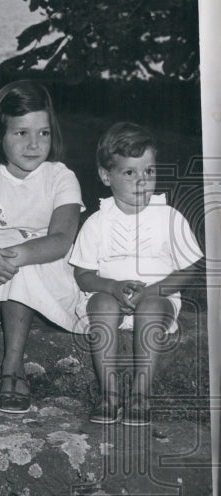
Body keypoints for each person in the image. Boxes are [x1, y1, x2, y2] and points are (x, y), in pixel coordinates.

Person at [0, 80, 84, 414]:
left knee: (16, 265)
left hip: (43, 263)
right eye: (21, 133)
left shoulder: (60, 177)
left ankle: (13, 365)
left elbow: (61, 239)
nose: (34, 144)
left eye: (43, 133)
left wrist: (17, 255)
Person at [69, 122, 203, 426]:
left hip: (157, 297)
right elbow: (83, 274)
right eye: (130, 172)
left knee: (152, 307)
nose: (142, 180)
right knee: (102, 305)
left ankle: (141, 395)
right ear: (107, 176)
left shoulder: (168, 217)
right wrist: (112, 287)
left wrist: (152, 291)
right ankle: (109, 395)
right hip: (108, 296)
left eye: (149, 171)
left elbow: (189, 269)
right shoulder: (97, 222)